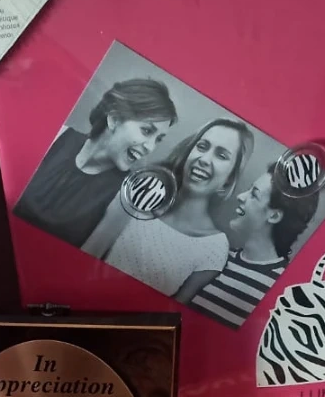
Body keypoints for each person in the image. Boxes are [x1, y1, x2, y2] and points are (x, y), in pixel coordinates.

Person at [84, 117, 253, 303]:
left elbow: (173, 312)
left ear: (229, 179)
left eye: (221, 156)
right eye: (202, 146)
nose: (204, 159)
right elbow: (91, 251)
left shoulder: (214, 247)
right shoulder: (145, 189)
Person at [13, 78, 177, 248]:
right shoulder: (56, 137)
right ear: (114, 119)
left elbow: (86, 257)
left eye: (158, 140)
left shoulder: (125, 196)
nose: (150, 147)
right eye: (147, 131)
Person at [190, 163, 320, 328]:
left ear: (274, 216)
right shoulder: (217, 257)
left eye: (254, 194)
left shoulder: (284, 289)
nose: (241, 196)